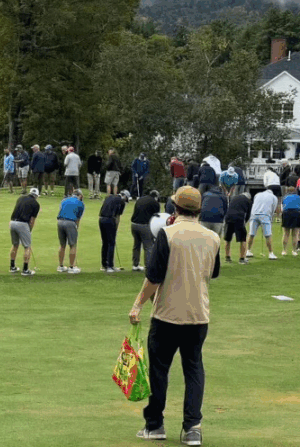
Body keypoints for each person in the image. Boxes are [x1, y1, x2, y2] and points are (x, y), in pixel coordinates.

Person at [128, 186, 220, 447]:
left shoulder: (167, 235)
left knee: (159, 370)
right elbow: (211, 273)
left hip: (167, 314)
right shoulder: (212, 237)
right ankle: (193, 428)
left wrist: (137, 305)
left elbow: (153, 278)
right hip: (198, 315)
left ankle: (155, 425)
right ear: (198, 210)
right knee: (193, 369)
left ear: (175, 208)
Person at [8, 188, 40, 275]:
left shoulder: (20, 198)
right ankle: (25, 270)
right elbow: (32, 220)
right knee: (27, 247)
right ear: (36, 196)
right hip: (22, 224)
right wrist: (29, 230)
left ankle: (12, 267)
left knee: (15, 245)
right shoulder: (36, 204)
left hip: (12, 222)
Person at [99, 190, 129, 273]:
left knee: (105, 242)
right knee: (111, 243)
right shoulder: (121, 201)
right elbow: (117, 216)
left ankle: (104, 265)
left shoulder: (109, 197)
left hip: (101, 219)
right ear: (125, 197)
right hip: (110, 220)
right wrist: (116, 227)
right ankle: (110, 266)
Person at [130, 190, 161, 271]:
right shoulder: (155, 203)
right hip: (144, 225)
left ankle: (135, 265)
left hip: (134, 224)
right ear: (156, 197)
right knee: (148, 246)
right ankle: (149, 267)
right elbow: (156, 217)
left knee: (136, 245)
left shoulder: (140, 199)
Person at [246, 186, 279, 259]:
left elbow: (254, 204)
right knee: (268, 235)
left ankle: (248, 251)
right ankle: (271, 253)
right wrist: (271, 219)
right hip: (265, 215)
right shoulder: (274, 197)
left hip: (254, 214)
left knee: (251, 234)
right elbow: (273, 210)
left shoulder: (257, 194)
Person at [56, 190, 85, 273]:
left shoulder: (64, 200)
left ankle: (61, 266)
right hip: (70, 222)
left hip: (60, 221)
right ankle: (71, 267)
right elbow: (78, 219)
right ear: (80, 196)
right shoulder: (80, 203)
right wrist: (77, 227)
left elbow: (61, 210)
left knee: (62, 245)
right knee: (73, 245)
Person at [224, 191, 251, 264]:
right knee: (243, 239)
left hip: (228, 217)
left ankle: (227, 258)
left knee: (228, 238)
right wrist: (245, 222)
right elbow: (248, 214)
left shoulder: (234, 197)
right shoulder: (248, 200)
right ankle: (242, 259)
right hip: (239, 218)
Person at [280, 186, 300, 257]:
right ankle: (294, 251)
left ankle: (284, 250)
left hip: (286, 213)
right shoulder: (299, 197)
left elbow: (282, 208)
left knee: (286, 233)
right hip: (296, 213)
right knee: (295, 234)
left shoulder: (284, 198)